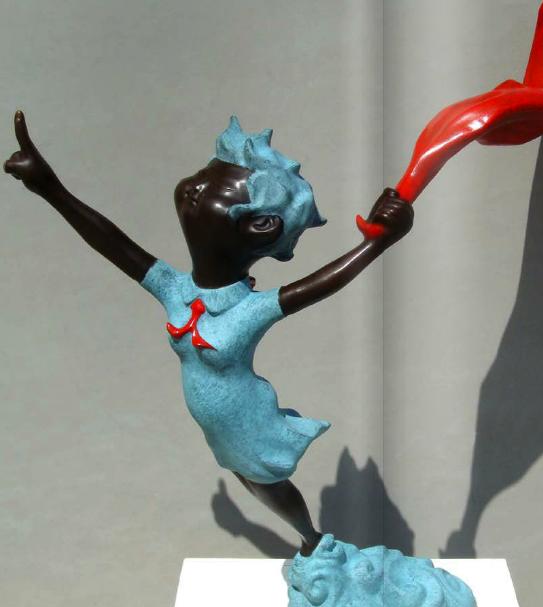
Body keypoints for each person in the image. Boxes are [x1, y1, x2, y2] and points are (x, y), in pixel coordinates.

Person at [3, 111, 413, 555]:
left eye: (212, 189)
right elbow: (112, 243)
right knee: (250, 482)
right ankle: (310, 541)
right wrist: (50, 188)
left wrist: (379, 242)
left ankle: (312, 541)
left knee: (266, 482)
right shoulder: (174, 288)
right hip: (218, 428)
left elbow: (322, 284)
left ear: (260, 226)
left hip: (248, 423)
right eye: (201, 177)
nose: (194, 189)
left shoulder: (251, 308)